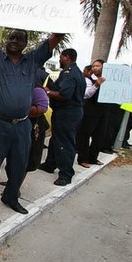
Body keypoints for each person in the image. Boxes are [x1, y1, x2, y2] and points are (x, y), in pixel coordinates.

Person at [0, 0, 64, 223]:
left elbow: (56, 37)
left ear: (26, 44)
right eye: (11, 37)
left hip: (23, 125)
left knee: (19, 166)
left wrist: (70, 8)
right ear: (6, 41)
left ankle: (11, 197)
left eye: (19, 38)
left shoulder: (33, 61)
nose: (14, 40)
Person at [40, 49, 86, 186]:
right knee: (56, 139)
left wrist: (47, 91)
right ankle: (50, 164)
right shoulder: (73, 72)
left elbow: (64, 94)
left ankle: (66, 174)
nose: (59, 60)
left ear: (67, 57)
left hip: (68, 112)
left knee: (64, 142)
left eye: (61, 57)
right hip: (68, 111)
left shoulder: (69, 73)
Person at [76, 59, 107, 167]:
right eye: (93, 66)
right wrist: (96, 85)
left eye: (98, 66)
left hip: (103, 111)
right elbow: (86, 94)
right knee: (84, 135)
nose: (95, 68)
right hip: (90, 111)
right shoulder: (88, 80)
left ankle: (93, 158)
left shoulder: (108, 80)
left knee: (99, 136)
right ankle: (83, 159)